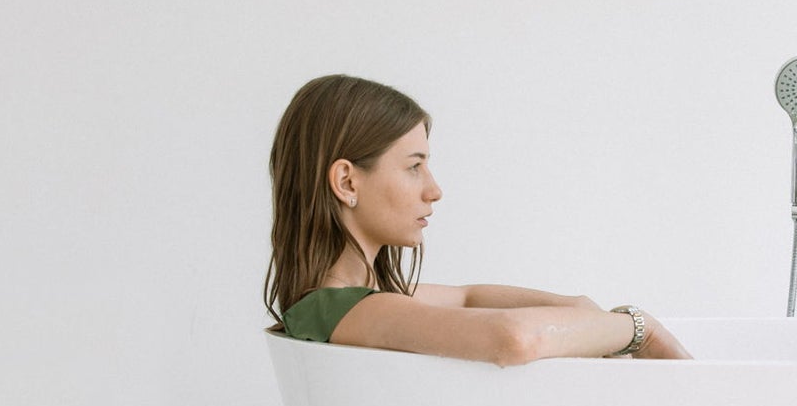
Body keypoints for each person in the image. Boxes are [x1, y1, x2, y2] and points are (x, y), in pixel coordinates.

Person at [264, 74, 693, 364]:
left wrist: (578, 307)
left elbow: (469, 298)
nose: (434, 189)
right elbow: (515, 338)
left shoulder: (348, 304)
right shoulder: (344, 310)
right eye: (414, 166)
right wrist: (639, 330)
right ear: (347, 182)